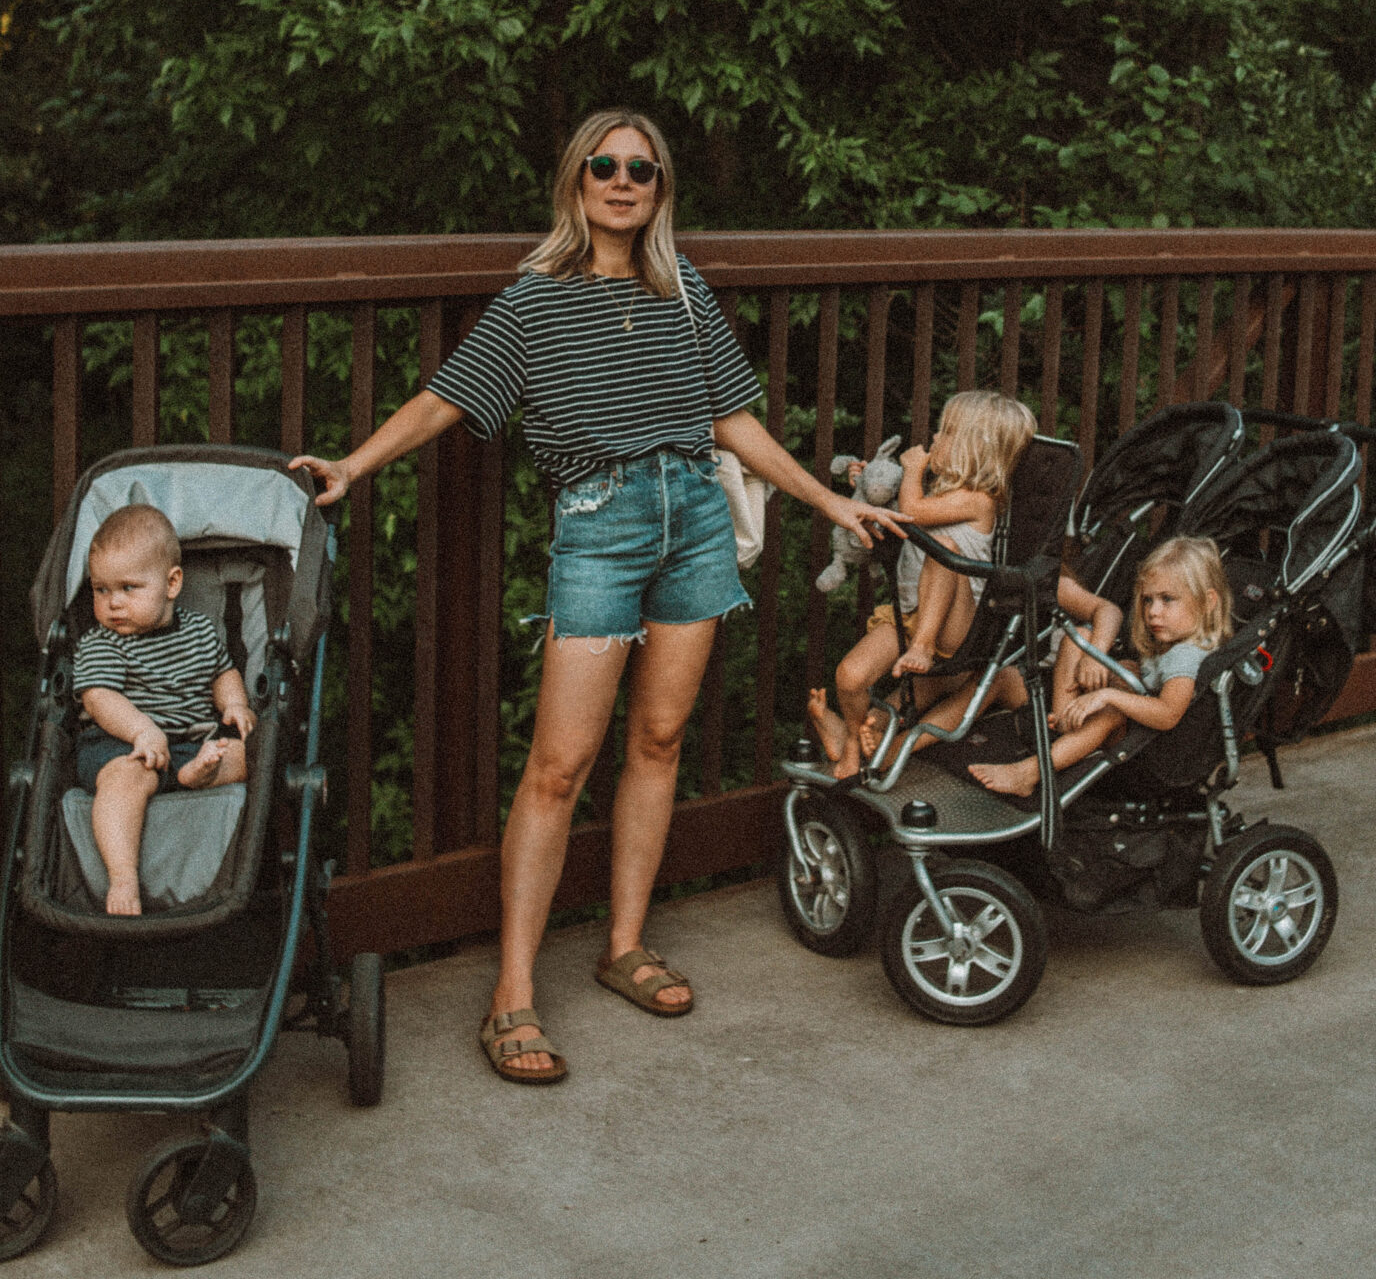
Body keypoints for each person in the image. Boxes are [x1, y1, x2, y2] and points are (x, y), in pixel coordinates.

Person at [291, 108, 900, 1085]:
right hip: (600, 528)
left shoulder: (682, 288)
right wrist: (354, 466)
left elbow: (731, 420)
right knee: (559, 765)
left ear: (659, 191)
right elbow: (449, 398)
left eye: (643, 171)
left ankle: (622, 944)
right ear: (577, 182)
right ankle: (512, 996)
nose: (624, 182)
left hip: (695, 518)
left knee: (657, 742)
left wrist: (830, 498)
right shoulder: (532, 303)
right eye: (606, 167)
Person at [806, 390, 1036, 780]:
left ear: (973, 449)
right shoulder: (940, 489)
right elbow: (900, 510)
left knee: (945, 549)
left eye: (945, 433)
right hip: (910, 612)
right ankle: (849, 741)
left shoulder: (981, 500)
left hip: (952, 627)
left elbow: (912, 512)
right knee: (850, 676)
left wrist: (911, 469)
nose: (932, 440)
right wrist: (870, 483)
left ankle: (923, 647)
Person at [72, 503, 257, 915]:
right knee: (125, 778)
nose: (112, 603)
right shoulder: (103, 643)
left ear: (172, 583)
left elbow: (222, 672)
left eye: (128, 588)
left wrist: (235, 705)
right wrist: (140, 730)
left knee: (253, 754)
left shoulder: (200, 631)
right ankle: (123, 879)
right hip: (119, 745)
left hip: (191, 745)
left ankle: (193, 776)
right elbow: (99, 698)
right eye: (101, 590)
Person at [959, 534, 1233, 796]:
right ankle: (1066, 723)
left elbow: (1168, 714)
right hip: (1139, 738)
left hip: (1151, 760)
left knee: (1112, 709)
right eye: (1148, 600)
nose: (1152, 611)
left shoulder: (1185, 655)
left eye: (1167, 599)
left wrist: (1108, 694)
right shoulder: (1174, 645)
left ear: (1208, 602)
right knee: (1082, 639)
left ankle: (1029, 774)